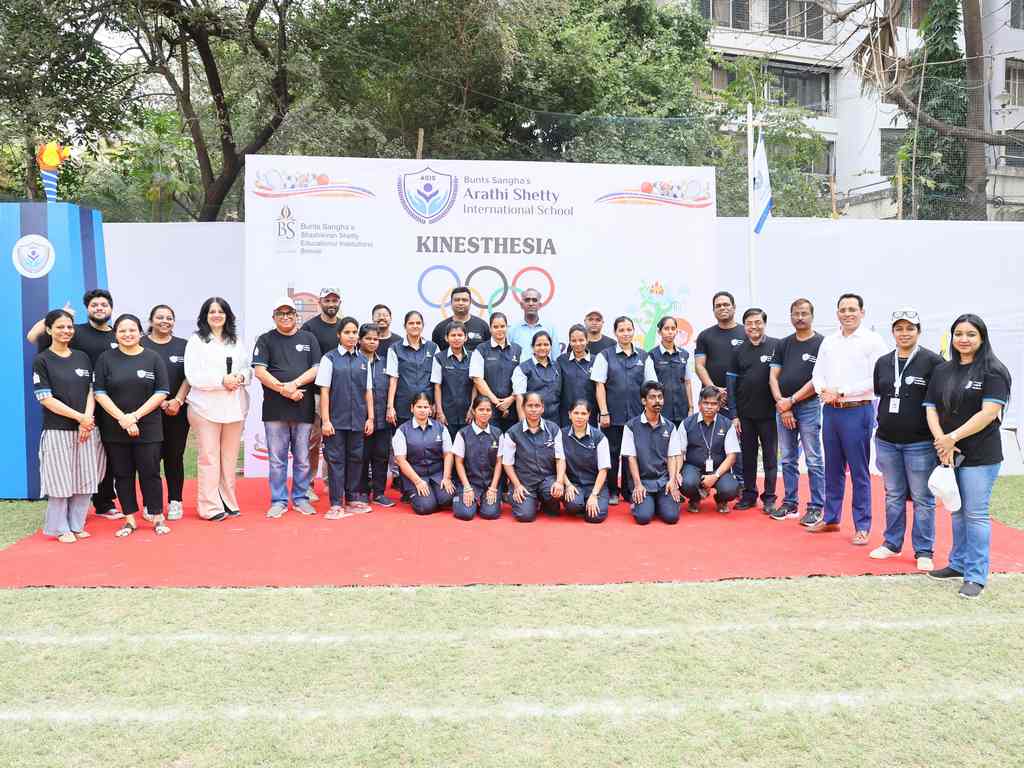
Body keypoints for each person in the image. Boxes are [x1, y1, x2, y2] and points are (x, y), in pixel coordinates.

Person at [924, 314, 1012, 599]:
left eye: (971, 334)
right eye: (958, 334)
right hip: (948, 452)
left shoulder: (993, 371)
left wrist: (952, 438)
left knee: (975, 514)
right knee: (957, 512)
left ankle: (975, 576)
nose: (963, 339)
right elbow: (931, 408)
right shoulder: (942, 370)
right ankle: (958, 564)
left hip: (981, 455)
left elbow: (988, 413)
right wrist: (942, 440)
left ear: (982, 338)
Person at [28, 289, 119, 519]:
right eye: (94, 304)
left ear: (111, 308)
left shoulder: (117, 334)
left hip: (109, 403)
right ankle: (69, 513)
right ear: (87, 308)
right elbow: (32, 336)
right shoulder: (74, 330)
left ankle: (104, 502)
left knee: (104, 455)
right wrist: (59, 313)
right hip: (77, 406)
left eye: (104, 304)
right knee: (69, 461)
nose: (99, 308)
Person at [808, 293, 889, 544]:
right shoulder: (829, 341)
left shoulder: (873, 341)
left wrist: (842, 391)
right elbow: (817, 374)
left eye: (852, 309)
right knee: (832, 468)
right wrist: (824, 390)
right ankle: (831, 518)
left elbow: (877, 379)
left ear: (862, 312)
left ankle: (862, 525)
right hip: (831, 410)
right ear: (837, 314)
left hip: (857, 410)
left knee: (858, 470)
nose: (847, 314)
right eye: (843, 310)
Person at [870, 308, 943, 571]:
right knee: (893, 495)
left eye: (910, 328)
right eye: (899, 328)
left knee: (923, 498)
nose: (904, 333)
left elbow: (939, 402)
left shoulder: (933, 362)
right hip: (887, 441)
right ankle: (892, 543)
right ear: (892, 332)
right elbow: (881, 394)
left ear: (919, 331)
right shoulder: (883, 362)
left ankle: (924, 550)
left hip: (920, 443)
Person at [32, 309, 106, 543]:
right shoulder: (42, 359)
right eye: (60, 327)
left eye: (69, 327)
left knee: (86, 478)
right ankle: (59, 528)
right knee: (60, 480)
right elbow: (46, 398)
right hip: (58, 430)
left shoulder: (82, 357)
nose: (66, 331)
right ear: (49, 330)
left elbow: (91, 391)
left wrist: (87, 419)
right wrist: (79, 417)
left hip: (86, 429)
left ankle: (76, 524)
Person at [93, 314, 170, 537]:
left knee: (150, 472)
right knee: (122, 474)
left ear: (140, 332)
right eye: (122, 331)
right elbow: (99, 392)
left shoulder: (152, 358)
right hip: (115, 427)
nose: (127, 334)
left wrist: (134, 417)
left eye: (132, 330)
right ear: (115, 334)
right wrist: (122, 419)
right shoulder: (105, 359)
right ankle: (129, 519)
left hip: (149, 427)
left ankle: (157, 516)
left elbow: (161, 391)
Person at [253, 296, 321, 518]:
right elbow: (260, 371)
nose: (285, 317)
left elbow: (316, 369)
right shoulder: (265, 340)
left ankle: (301, 498)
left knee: (303, 459)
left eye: (289, 313)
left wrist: (294, 384)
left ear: (296, 315)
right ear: (274, 317)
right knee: (277, 459)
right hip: (275, 409)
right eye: (280, 313)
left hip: (303, 407)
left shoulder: (309, 338)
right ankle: (279, 500)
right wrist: (284, 390)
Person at [184, 296, 251, 522]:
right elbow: (192, 375)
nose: (216, 315)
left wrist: (241, 377)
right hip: (205, 408)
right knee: (209, 458)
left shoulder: (236, 340)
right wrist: (222, 380)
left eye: (221, 311)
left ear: (227, 315)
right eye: (212, 311)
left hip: (234, 407)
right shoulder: (196, 341)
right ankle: (209, 506)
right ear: (205, 316)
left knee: (229, 458)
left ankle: (228, 502)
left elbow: (247, 368)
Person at [768, 298, 825, 523]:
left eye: (804, 313)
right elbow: (773, 377)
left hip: (809, 406)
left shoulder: (822, 343)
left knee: (813, 459)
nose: (800, 317)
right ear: (790, 316)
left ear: (812, 316)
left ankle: (816, 506)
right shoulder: (783, 344)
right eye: (796, 314)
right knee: (788, 458)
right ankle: (790, 503)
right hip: (783, 407)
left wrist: (791, 401)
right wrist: (783, 405)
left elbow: (817, 380)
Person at [591, 315, 657, 505]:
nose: (626, 333)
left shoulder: (644, 356)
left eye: (629, 329)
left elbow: (651, 386)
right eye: (621, 330)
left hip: (637, 416)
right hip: (612, 416)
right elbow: (599, 385)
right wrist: (604, 412)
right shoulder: (605, 355)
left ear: (633, 331)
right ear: (615, 333)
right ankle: (612, 490)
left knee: (633, 453)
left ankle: (630, 490)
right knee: (612, 454)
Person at [316, 316, 374, 519]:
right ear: (339, 335)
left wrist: (370, 418)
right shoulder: (329, 359)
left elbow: (368, 392)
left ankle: (351, 500)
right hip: (335, 422)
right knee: (336, 461)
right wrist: (325, 421)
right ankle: (335, 503)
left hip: (358, 421)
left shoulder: (363, 361)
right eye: (347, 332)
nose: (351, 336)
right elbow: (324, 391)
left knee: (356, 460)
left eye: (354, 332)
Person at [727, 308, 780, 514]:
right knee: (747, 457)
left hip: (769, 414)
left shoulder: (776, 346)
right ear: (745, 326)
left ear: (764, 324)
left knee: (770, 458)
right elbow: (731, 384)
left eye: (758, 322)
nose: (754, 327)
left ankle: (770, 497)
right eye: (749, 323)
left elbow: (781, 378)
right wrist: (734, 415)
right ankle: (749, 495)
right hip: (745, 415)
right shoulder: (737, 350)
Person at [141, 304, 191, 521]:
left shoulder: (184, 345)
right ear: (151, 320)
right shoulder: (140, 344)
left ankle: (175, 501)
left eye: (169, 318)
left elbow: (189, 376)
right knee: (149, 459)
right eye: (159, 317)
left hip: (176, 411)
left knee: (174, 457)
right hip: (147, 413)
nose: (164, 321)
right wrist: (158, 402)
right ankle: (150, 503)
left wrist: (178, 400)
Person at [301, 287, 342, 502]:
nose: (331, 304)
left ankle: (330, 482)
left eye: (335, 300)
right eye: (327, 300)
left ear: (339, 302)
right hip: (316, 394)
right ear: (320, 302)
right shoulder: (309, 327)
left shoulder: (344, 327)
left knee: (335, 441)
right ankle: (307, 484)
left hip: (340, 394)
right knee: (313, 441)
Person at [621, 381, 683, 525]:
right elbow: (631, 458)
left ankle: (658, 503)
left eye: (660, 397)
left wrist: (672, 481)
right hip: (643, 482)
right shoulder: (631, 426)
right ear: (644, 401)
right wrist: (637, 484)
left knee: (671, 517)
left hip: (663, 482)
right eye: (652, 397)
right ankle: (646, 503)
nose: (657, 401)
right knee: (643, 518)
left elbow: (672, 457)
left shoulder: (670, 426)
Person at [678, 386, 741, 514]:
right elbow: (680, 452)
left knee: (731, 489)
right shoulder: (686, 423)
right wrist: (677, 473)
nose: (709, 407)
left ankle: (720, 500)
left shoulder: (727, 424)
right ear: (699, 404)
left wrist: (715, 476)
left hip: (718, 468)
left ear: (719, 406)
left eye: (713, 404)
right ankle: (695, 498)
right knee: (686, 483)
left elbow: (732, 456)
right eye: (705, 403)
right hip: (693, 467)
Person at [501, 391, 562, 522]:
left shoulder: (553, 429)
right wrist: (517, 485)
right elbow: (507, 463)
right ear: (523, 407)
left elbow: (560, 458)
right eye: (530, 406)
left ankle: (543, 501)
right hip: (524, 481)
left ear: (542, 408)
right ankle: (525, 500)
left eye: (537, 406)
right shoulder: (512, 433)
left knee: (554, 505)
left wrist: (559, 482)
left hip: (547, 479)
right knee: (525, 516)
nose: (534, 409)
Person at [392, 391, 455, 515]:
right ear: (412, 408)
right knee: (425, 507)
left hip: (437, 474)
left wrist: (446, 477)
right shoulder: (402, 431)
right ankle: (413, 494)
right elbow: (401, 460)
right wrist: (417, 482)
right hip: (415, 475)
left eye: (426, 407)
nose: (422, 410)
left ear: (430, 409)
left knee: (448, 498)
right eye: (419, 407)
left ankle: (434, 495)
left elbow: (448, 454)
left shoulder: (441, 428)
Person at [358, 323, 396, 507]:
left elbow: (392, 386)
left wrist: (390, 408)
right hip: (360, 419)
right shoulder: (354, 360)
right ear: (360, 340)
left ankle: (379, 493)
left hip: (382, 418)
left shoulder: (386, 362)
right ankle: (362, 492)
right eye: (368, 338)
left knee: (381, 456)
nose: (372, 342)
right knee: (362, 456)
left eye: (376, 339)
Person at [554, 399, 610, 523]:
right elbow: (559, 463)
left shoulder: (599, 437)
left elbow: (603, 470)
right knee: (573, 506)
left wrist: (594, 494)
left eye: (583, 413)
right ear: (569, 414)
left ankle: (590, 502)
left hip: (595, 485)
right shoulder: (560, 435)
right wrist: (568, 485)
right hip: (574, 485)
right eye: (576, 413)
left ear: (589, 415)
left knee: (595, 517)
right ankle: (580, 503)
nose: (579, 417)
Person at [452, 395, 503, 521]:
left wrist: (493, 488)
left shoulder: (498, 433)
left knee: (490, 514)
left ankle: (486, 501)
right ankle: (462, 498)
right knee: (466, 514)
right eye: (481, 409)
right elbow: (458, 463)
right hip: (470, 482)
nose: (485, 413)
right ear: (474, 411)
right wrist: (467, 487)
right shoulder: (462, 434)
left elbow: (499, 462)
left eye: (488, 410)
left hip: (490, 483)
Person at [386, 311, 438, 433]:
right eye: (411, 323)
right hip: (403, 405)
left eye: (418, 323)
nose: (415, 326)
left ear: (423, 325)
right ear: (405, 326)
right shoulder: (394, 348)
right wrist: (390, 407)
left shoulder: (433, 348)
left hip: (426, 406)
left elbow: (437, 381)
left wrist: (436, 404)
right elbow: (393, 380)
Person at [469, 312, 521, 433]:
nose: (499, 330)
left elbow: (522, 380)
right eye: (495, 327)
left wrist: (510, 399)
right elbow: (477, 380)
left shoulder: (518, 350)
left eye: (502, 326)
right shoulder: (481, 349)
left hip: (512, 408)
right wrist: (497, 403)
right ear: (490, 329)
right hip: (487, 410)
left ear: (507, 327)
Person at [431, 321, 473, 438]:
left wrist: (472, 408)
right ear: (446, 338)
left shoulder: (473, 356)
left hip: (468, 413)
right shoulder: (439, 358)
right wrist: (439, 412)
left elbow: (476, 385)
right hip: (447, 413)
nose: (456, 338)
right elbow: (437, 386)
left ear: (466, 337)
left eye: (460, 335)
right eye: (453, 335)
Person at [649, 316, 692, 425]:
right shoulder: (652, 355)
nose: (670, 332)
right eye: (666, 329)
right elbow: (651, 386)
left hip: (682, 409)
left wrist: (691, 408)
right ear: (659, 332)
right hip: (661, 410)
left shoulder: (684, 354)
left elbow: (687, 382)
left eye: (673, 329)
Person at [513, 330, 562, 423]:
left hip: (555, 420)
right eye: (539, 345)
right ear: (532, 347)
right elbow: (519, 398)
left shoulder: (557, 366)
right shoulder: (522, 368)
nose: (542, 348)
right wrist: (524, 424)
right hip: (532, 421)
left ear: (551, 346)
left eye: (546, 344)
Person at [557, 324, 598, 427]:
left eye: (581, 340)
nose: (577, 343)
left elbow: (600, 389)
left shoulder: (596, 360)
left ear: (587, 340)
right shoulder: (562, 360)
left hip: (589, 414)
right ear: (569, 342)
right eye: (574, 341)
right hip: (566, 415)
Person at [431, 286, 490, 352]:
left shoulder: (482, 326)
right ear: (451, 303)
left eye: (464, 300)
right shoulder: (440, 328)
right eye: (457, 300)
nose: (460, 303)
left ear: (470, 302)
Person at [509, 288, 559, 361]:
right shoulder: (512, 330)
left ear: (540, 305)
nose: (531, 303)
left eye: (534, 300)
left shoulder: (550, 328)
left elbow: (556, 357)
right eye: (527, 300)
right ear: (521, 305)